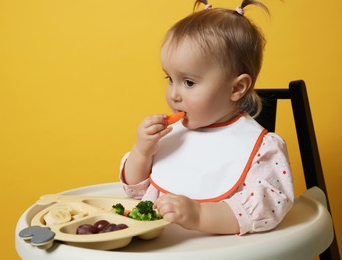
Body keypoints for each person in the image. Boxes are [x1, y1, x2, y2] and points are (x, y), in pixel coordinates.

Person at [119, 0, 294, 235]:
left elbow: (265, 212)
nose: (173, 94)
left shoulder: (261, 149)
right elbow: (134, 191)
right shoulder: (170, 135)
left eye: (188, 82)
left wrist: (199, 215)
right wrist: (142, 151)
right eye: (169, 79)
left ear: (236, 88)